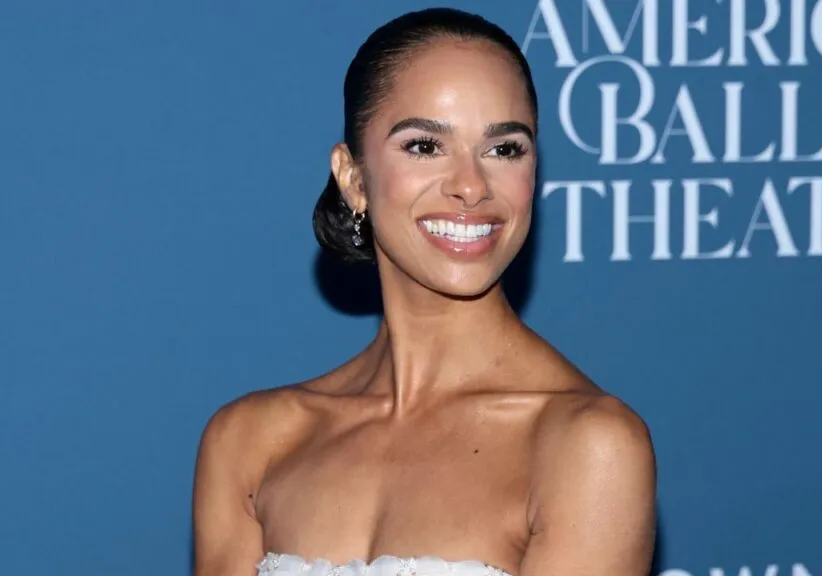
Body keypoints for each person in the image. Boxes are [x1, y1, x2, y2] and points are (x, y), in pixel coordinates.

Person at [191, 7, 657, 576]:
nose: (470, 185)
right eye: (423, 146)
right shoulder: (251, 442)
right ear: (354, 179)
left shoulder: (587, 446)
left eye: (504, 149)